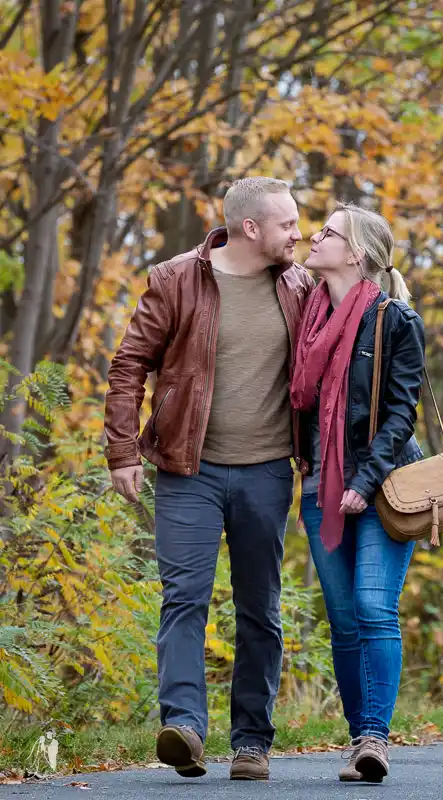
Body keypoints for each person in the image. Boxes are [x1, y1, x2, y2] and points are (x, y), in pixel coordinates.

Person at [103, 177, 313, 781]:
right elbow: (129, 365)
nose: (298, 233)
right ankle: (186, 728)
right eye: (288, 224)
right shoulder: (175, 279)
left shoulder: (299, 286)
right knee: (184, 599)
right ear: (252, 228)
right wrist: (122, 451)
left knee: (259, 609)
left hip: (268, 473)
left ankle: (251, 742)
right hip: (187, 471)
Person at [291, 203, 425, 783]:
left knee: (374, 607)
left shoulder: (397, 320)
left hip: (383, 483)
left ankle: (375, 737)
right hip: (321, 482)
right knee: (343, 620)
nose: (314, 236)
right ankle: (357, 740)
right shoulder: (308, 317)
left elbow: (401, 414)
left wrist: (363, 483)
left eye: (328, 232)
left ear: (357, 253)